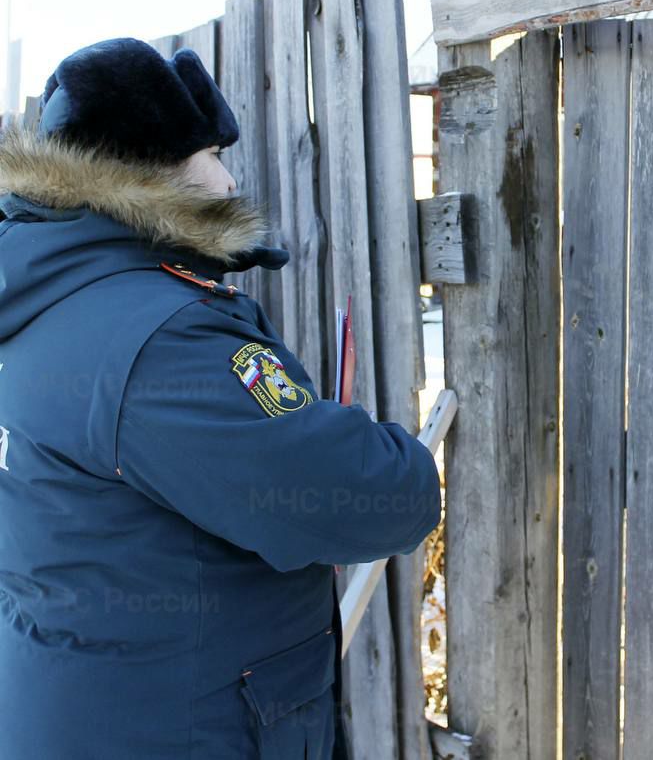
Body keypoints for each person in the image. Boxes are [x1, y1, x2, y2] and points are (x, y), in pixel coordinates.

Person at [0, 38, 441, 758]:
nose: (230, 175)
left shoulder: (41, 300)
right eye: (210, 152)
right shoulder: (158, 338)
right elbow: (366, 494)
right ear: (154, 169)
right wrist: (385, 451)